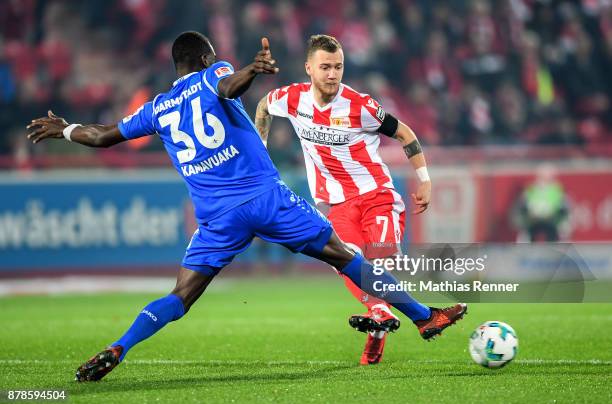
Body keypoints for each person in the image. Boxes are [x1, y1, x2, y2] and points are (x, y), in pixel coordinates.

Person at [26, 31, 466, 382]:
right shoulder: (212, 73)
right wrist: (251, 71)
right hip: (265, 197)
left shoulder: (156, 108)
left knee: (180, 296)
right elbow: (227, 84)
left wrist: (66, 129)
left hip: (217, 218)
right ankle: (424, 316)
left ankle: (121, 345)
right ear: (204, 59)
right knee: (345, 256)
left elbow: (102, 136)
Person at [255, 34, 436, 365]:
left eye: (338, 67)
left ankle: (383, 323)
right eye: (325, 67)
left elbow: (405, 134)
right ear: (309, 68)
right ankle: (382, 316)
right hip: (336, 204)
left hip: (376, 195)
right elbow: (264, 105)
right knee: (349, 264)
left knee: (380, 266)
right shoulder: (292, 99)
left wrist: (424, 180)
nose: (332, 74)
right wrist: (260, 151)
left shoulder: (361, 106)